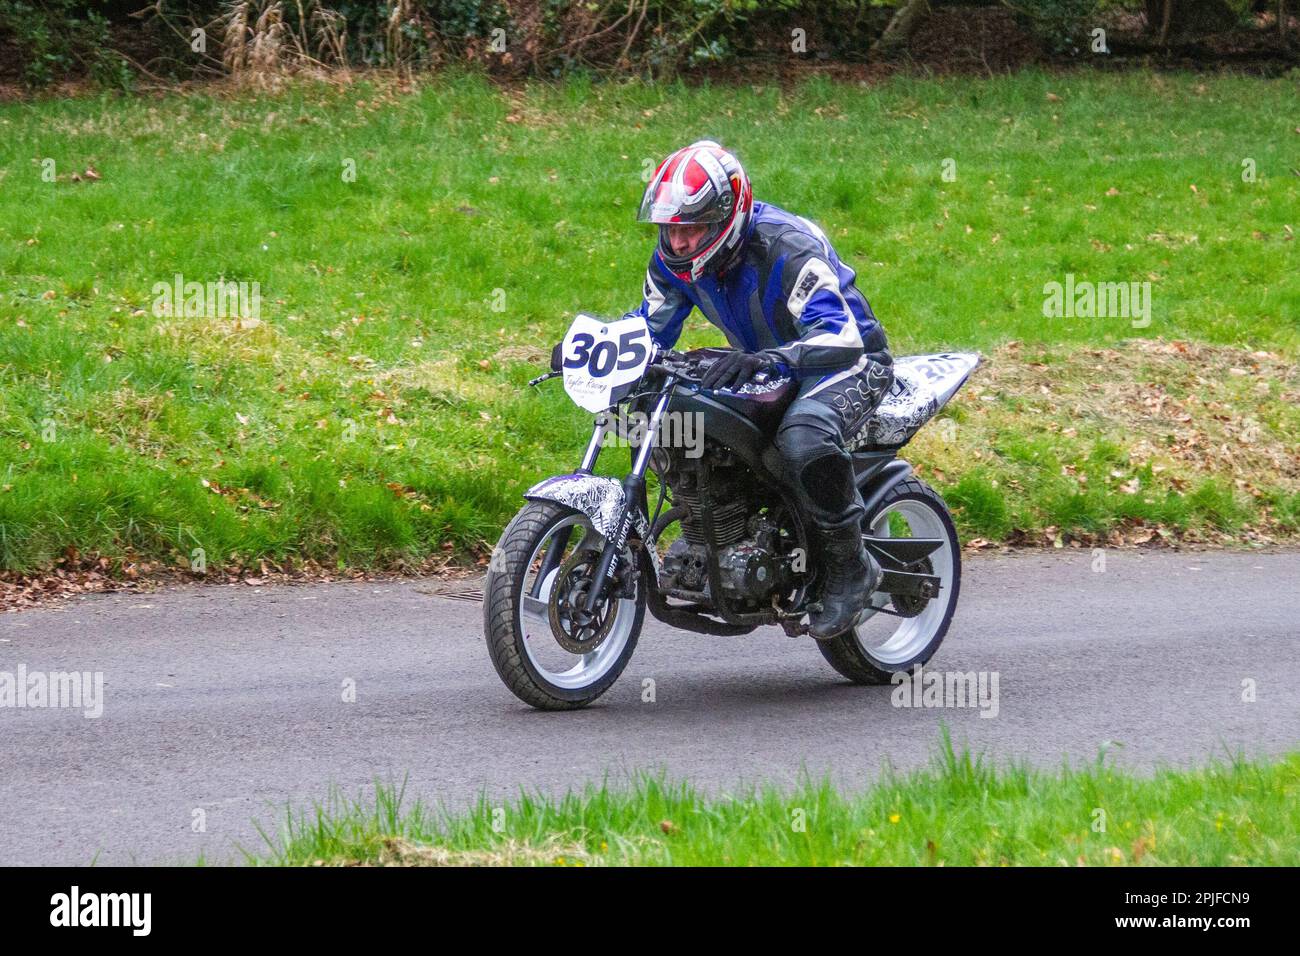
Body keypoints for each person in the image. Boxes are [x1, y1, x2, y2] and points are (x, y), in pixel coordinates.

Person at [557, 141, 893, 639]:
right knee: (671, 411)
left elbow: (839, 334)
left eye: (691, 229)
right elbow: (650, 327)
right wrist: (589, 347)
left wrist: (771, 359)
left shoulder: (788, 246)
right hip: (767, 365)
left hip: (846, 362)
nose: (680, 242)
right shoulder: (674, 261)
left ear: (727, 218)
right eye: (671, 230)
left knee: (802, 438)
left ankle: (851, 567)